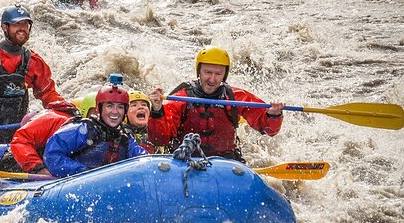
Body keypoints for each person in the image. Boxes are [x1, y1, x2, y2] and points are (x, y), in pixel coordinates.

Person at [0, 5, 77, 160]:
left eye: (25, 25)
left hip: (16, 128)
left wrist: (68, 110)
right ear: (5, 27)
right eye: (16, 25)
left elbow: (48, 94)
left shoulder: (34, 61)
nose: (22, 29)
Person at [148, 46, 284, 162]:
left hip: (226, 162)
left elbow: (268, 129)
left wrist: (273, 115)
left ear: (224, 75)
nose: (212, 79)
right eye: (208, 72)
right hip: (187, 160)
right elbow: (159, 139)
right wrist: (157, 110)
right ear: (199, 72)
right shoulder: (181, 98)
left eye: (218, 74)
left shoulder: (235, 97)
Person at [43, 82, 149, 177]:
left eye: (120, 107)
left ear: (125, 111)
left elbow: (145, 160)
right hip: (77, 183)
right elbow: (52, 156)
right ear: (99, 109)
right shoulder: (82, 130)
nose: (115, 112)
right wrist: (84, 172)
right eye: (109, 106)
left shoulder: (125, 138)